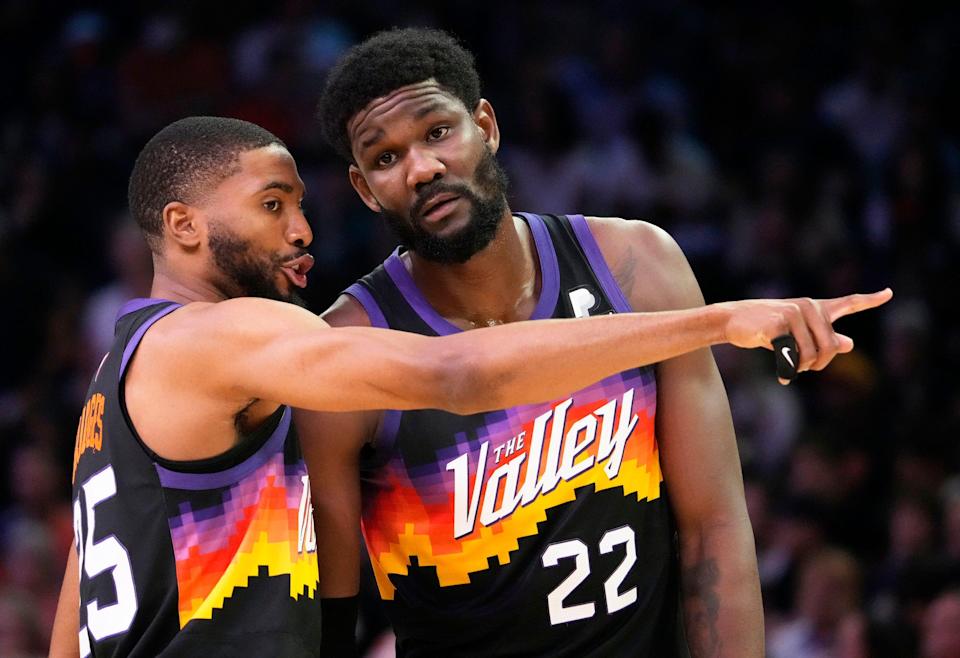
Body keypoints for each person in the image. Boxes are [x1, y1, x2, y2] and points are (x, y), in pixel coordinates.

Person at [47, 115, 886, 657]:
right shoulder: (221, 335)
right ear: (183, 227)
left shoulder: (113, 384)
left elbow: (75, 603)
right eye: (271, 205)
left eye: (300, 203)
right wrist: (715, 320)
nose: (301, 230)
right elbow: (455, 371)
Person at [305, 27, 891, 657]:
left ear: (486, 126)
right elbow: (331, 621)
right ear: (364, 189)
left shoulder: (636, 263)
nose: (422, 167)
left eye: (438, 132)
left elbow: (713, 527)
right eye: (386, 158)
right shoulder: (349, 350)